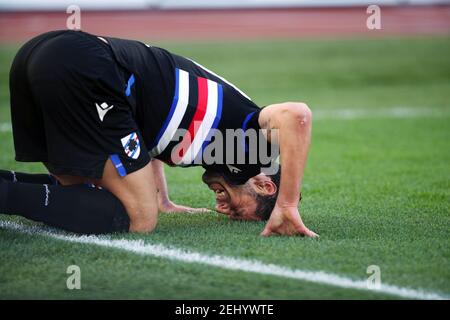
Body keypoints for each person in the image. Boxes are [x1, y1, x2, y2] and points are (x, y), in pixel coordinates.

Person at [0, 30, 317, 237]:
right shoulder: (253, 148)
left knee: (84, 191)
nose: (225, 210)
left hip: (40, 54)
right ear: (262, 185)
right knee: (139, 218)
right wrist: (287, 205)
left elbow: (147, 133)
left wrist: (162, 198)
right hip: (84, 66)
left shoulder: (213, 149)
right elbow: (297, 115)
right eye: (240, 212)